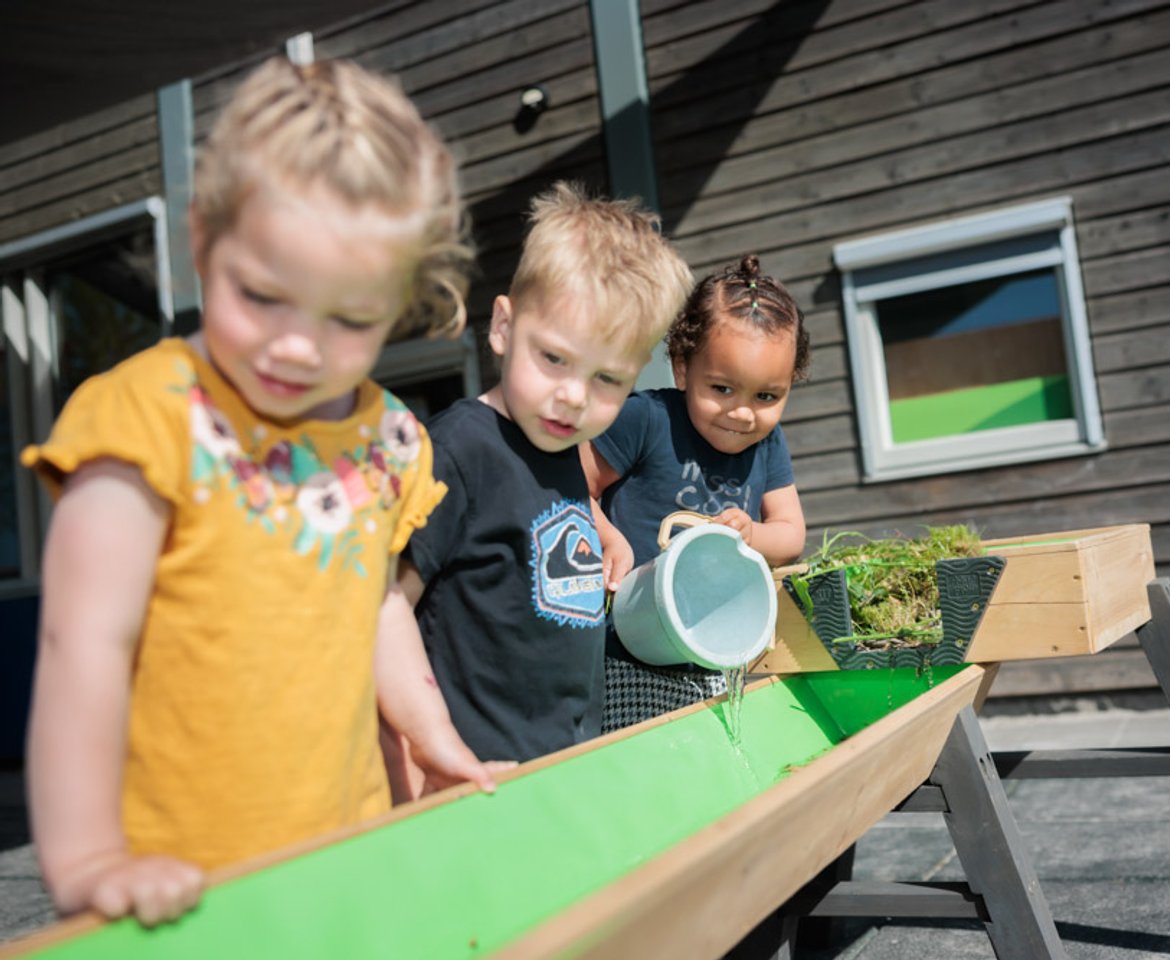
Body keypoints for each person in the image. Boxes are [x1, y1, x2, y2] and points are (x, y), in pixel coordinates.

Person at [21, 57, 503, 927]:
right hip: (176, 885)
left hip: (344, 860)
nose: (297, 347)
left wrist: (433, 736)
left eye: (349, 319)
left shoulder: (390, 439)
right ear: (204, 238)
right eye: (263, 296)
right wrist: (89, 856)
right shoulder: (148, 418)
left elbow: (377, 607)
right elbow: (81, 642)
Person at [379, 181, 693, 796]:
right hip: (472, 779)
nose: (574, 395)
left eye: (607, 379)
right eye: (553, 359)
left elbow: (533, 519)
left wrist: (601, 531)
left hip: (558, 771)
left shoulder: (558, 443)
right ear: (503, 326)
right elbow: (385, 605)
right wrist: (423, 748)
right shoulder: (459, 449)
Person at [581, 254, 810, 731]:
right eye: (722, 389)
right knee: (644, 760)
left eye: (766, 397)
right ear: (683, 368)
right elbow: (572, 484)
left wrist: (751, 535)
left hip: (716, 650)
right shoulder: (647, 419)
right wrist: (608, 538)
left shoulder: (768, 443)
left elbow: (790, 534)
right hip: (629, 649)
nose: (742, 413)